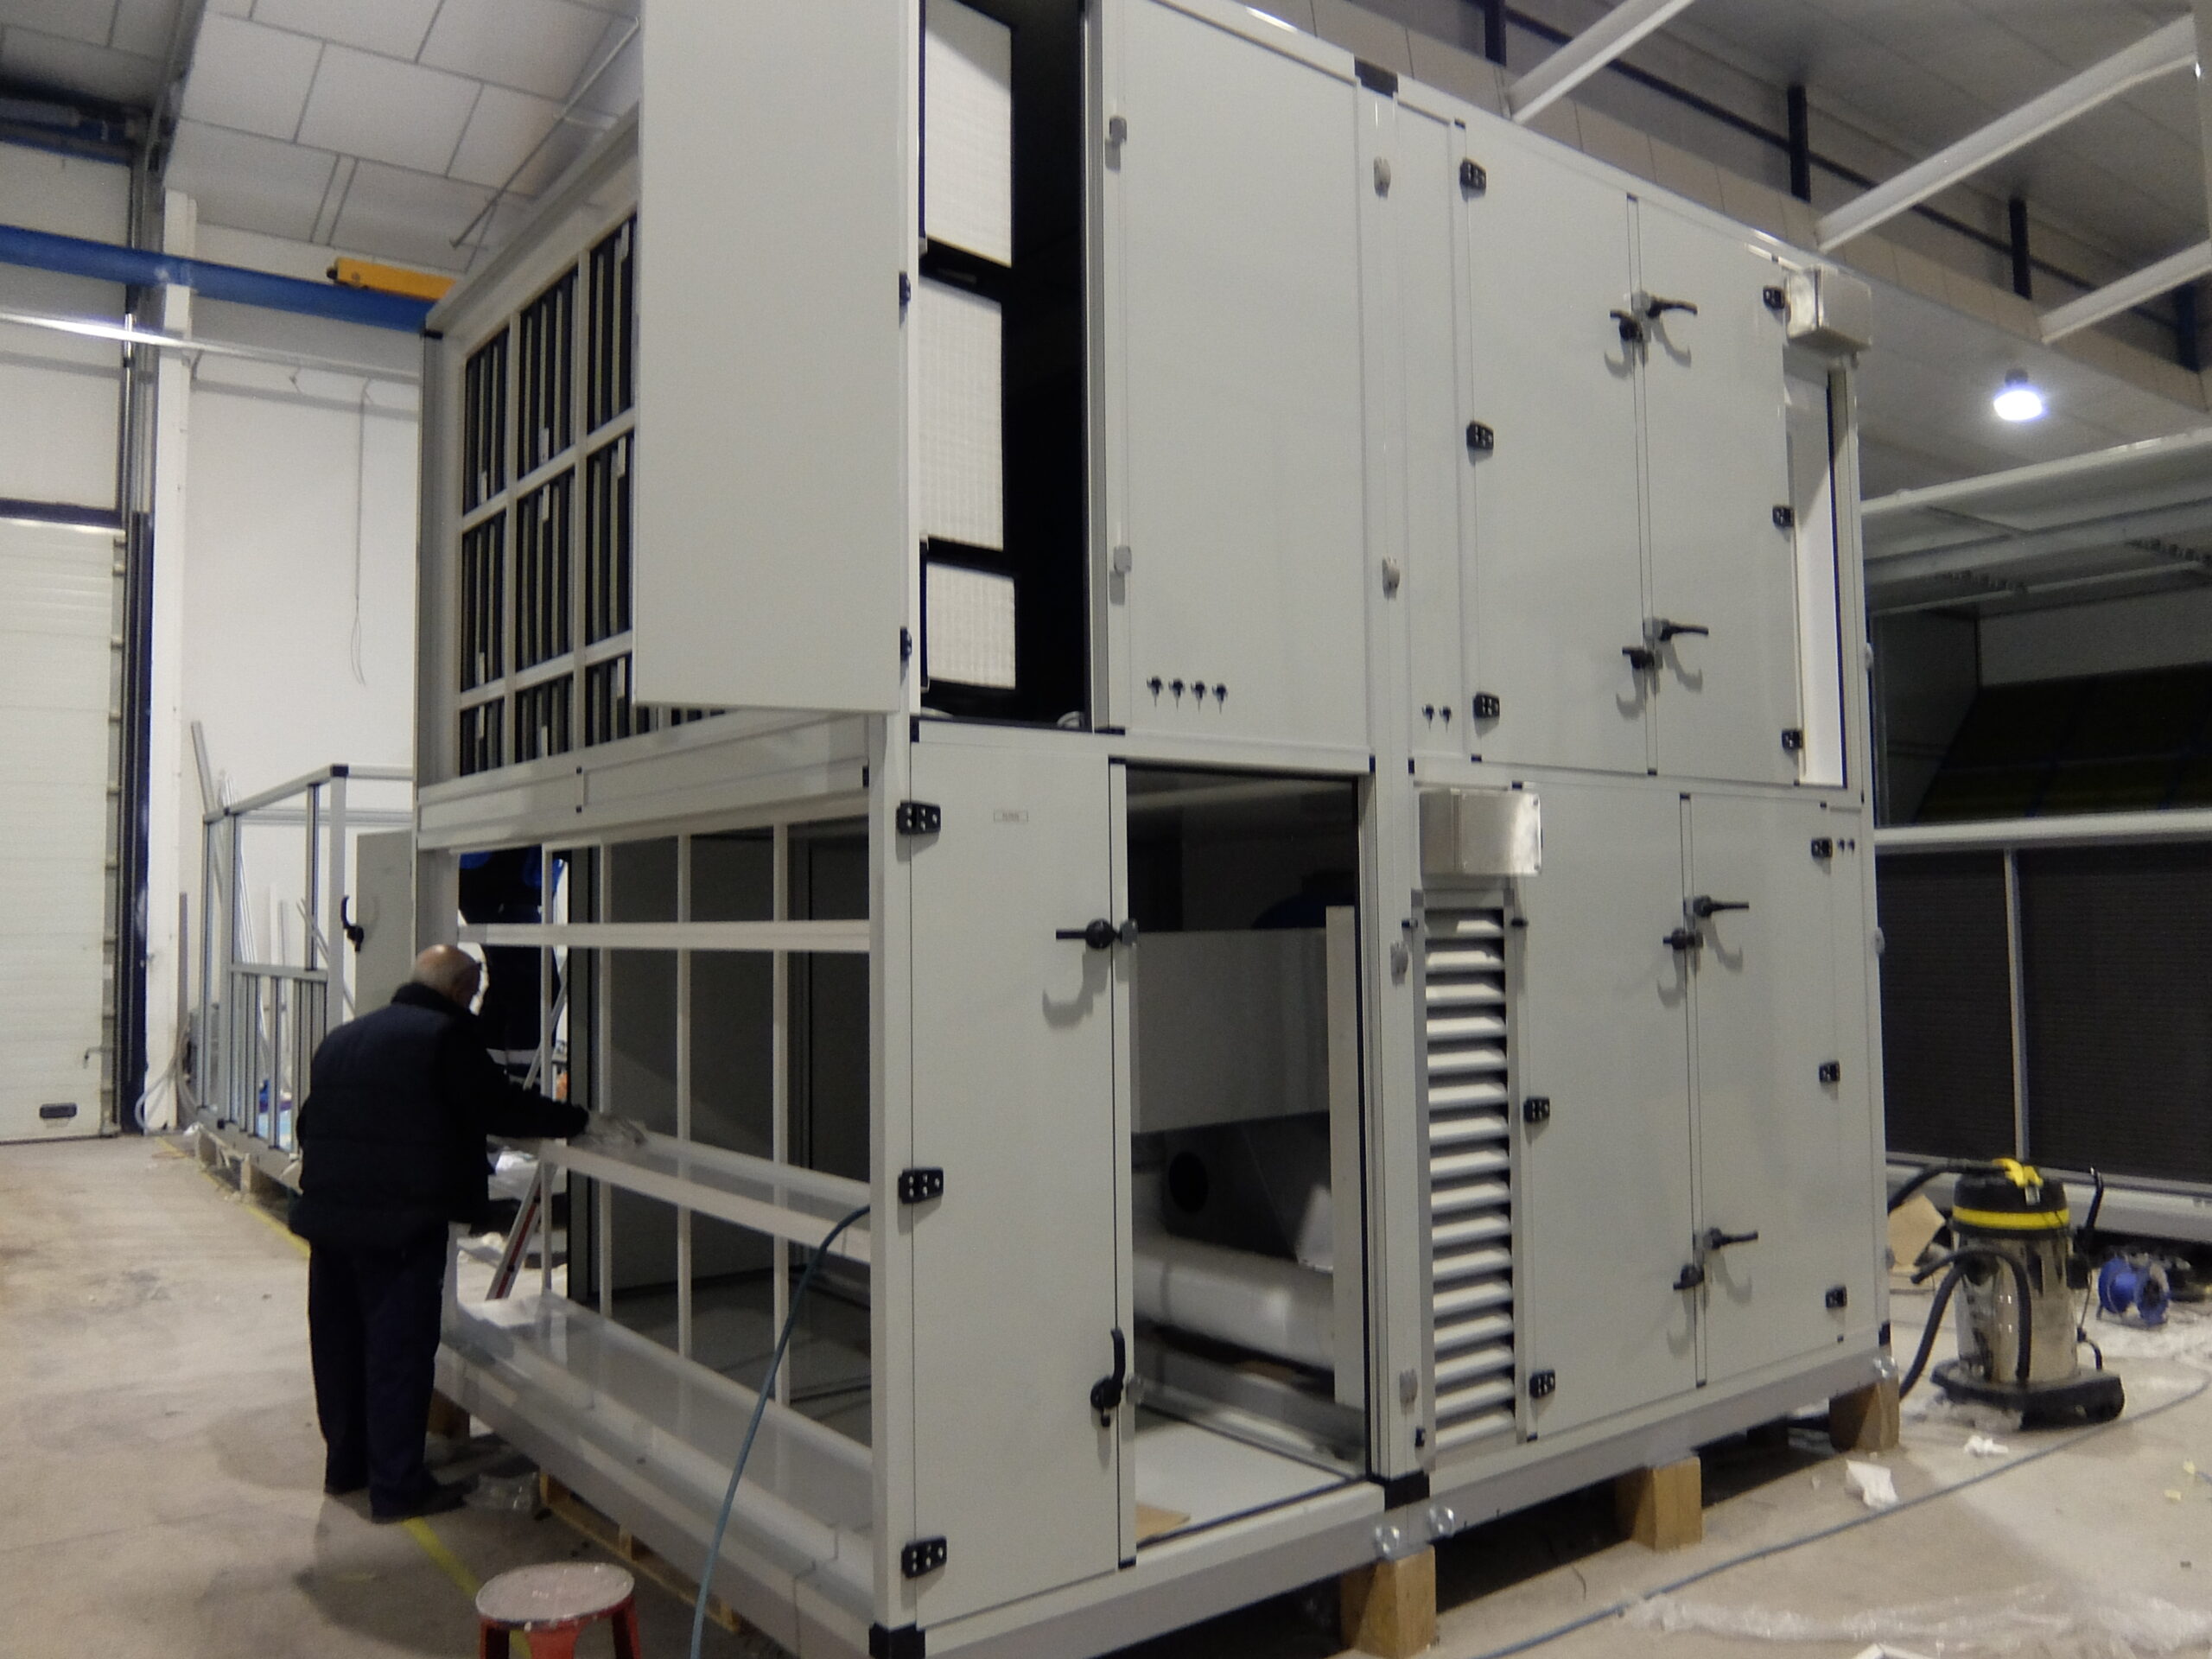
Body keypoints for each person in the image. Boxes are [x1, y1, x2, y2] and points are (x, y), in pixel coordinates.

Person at [289, 944, 588, 1522]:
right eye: (472, 993)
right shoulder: (444, 1039)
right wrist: (577, 1120)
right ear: (456, 990)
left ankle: (346, 1468)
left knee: (339, 1348)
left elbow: (309, 1124)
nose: (474, 1004)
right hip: (400, 1225)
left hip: (329, 1219)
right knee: (397, 1353)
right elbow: (499, 1108)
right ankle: (397, 1488)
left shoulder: (344, 1040)